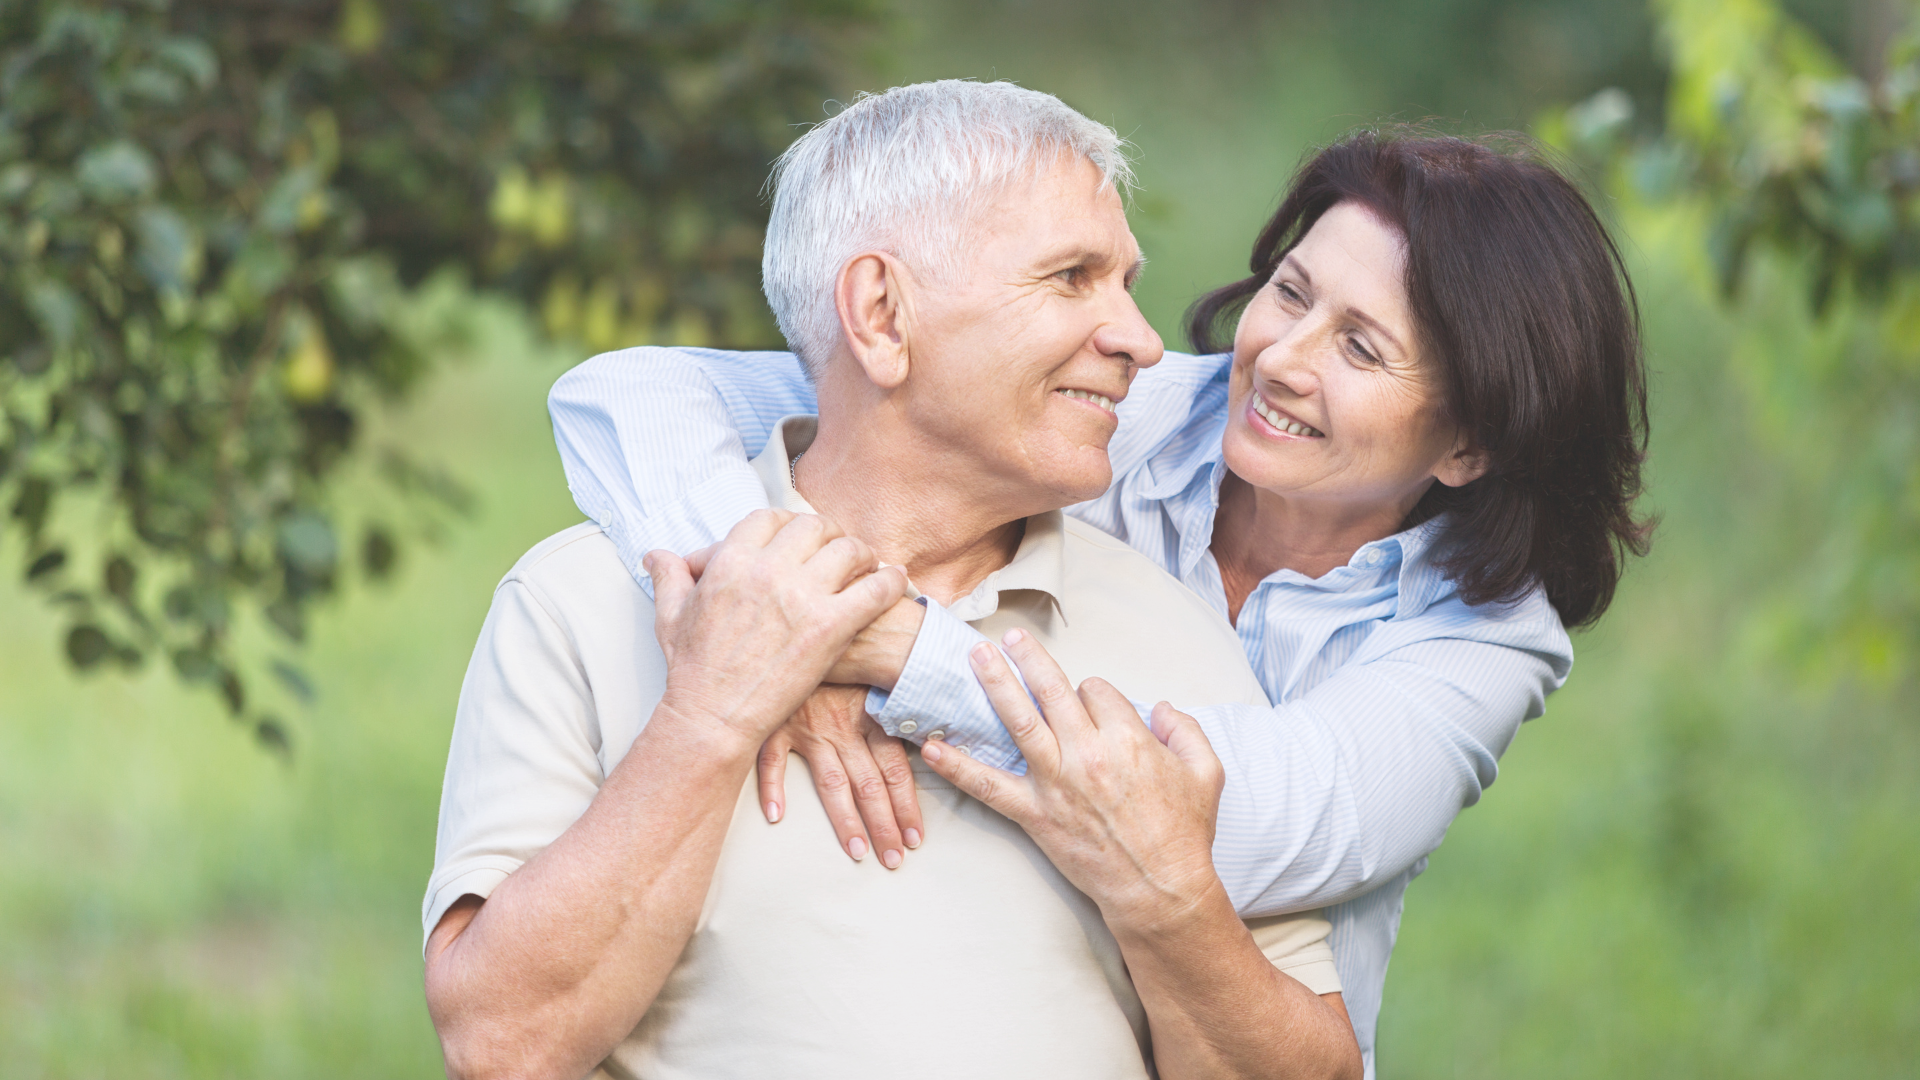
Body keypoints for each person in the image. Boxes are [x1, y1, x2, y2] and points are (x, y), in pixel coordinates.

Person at [547, 117, 1652, 1075]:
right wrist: (769, 600)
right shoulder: (1109, 413)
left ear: (1466, 445)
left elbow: (1231, 818)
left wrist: (885, 645)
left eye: (1360, 348)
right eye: (1291, 292)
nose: (1281, 358)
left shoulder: (1487, 640)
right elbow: (630, 394)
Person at [423, 80, 1361, 1080]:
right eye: (1071, 278)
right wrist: (710, 718)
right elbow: (502, 1047)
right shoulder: (580, 603)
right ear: (879, 313)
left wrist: (1168, 901)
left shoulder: (1177, 637)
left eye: (1126, 284)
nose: (1140, 339)